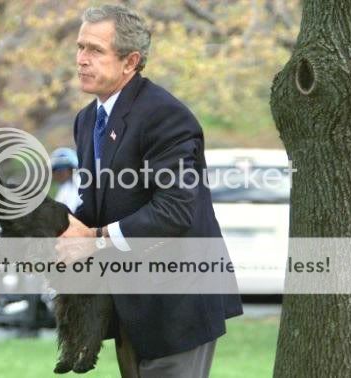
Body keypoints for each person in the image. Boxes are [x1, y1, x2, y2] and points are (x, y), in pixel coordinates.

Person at [56, 5, 243, 377]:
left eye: (95, 50)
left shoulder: (165, 116)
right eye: (79, 48)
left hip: (179, 302)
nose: (81, 60)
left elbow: (175, 208)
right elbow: (95, 203)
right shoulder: (87, 119)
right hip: (129, 302)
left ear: (130, 62)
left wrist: (95, 236)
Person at [50, 147, 82, 212]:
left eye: (62, 169)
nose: (59, 173)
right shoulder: (62, 191)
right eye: (56, 169)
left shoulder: (78, 184)